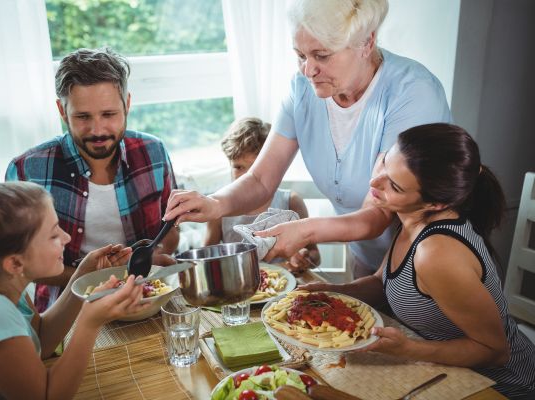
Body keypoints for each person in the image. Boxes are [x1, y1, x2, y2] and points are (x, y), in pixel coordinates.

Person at [163, 0, 451, 279]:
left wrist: (306, 231)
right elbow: (261, 180)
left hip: (430, 261)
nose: (308, 70)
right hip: (368, 257)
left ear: (367, 42)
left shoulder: (412, 94)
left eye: (321, 55)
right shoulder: (302, 89)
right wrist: (214, 204)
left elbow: (377, 212)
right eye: (301, 55)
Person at [299, 124, 535, 399]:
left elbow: (495, 351)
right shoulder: (410, 215)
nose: (375, 183)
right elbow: (381, 282)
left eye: (395, 186)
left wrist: (408, 349)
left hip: (500, 387)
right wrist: (330, 293)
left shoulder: (437, 253)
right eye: (385, 162)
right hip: (442, 372)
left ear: (433, 204)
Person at [0, 181, 149, 399]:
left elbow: (42, 340)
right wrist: (89, 321)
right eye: (54, 235)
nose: (66, 238)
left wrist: (82, 275)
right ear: (15, 263)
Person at [6, 47, 179, 312]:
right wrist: (95, 278)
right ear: (62, 111)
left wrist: (155, 255)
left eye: (109, 114)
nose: (98, 130)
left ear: (127, 104)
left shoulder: (153, 151)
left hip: (148, 303)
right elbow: (19, 263)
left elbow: (171, 229)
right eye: (83, 117)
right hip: (65, 315)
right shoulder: (27, 170)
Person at [205, 117, 320, 272]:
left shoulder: (291, 203)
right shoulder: (219, 210)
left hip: (286, 288)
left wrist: (305, 258)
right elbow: (205, 259)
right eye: (238, 167)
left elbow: (315, 255)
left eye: (254, 169)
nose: (246, 178)